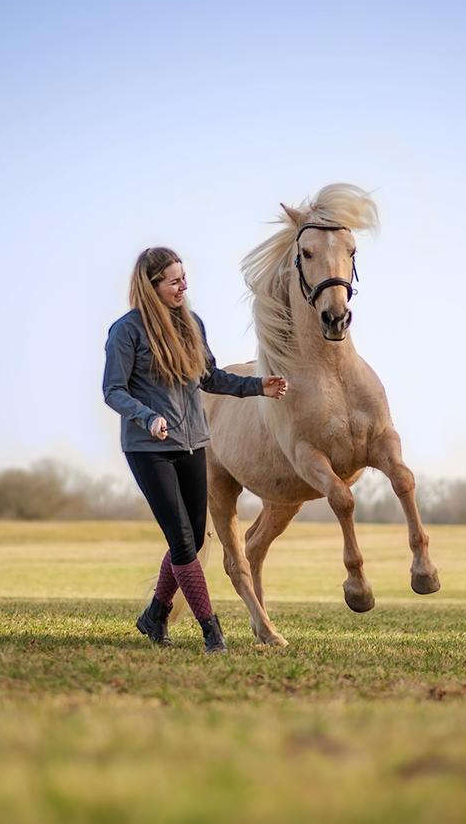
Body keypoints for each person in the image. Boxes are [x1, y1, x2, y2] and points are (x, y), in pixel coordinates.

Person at [102, 246, 288, 653]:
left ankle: (154, 616)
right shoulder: (126, 331)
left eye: (184, 278)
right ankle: (211, 631)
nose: (183, 286)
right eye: (174, 280)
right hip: (149, 448)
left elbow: (210, 378)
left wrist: (259, 385)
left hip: (194, 444)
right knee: (185, 542)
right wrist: (147, 416)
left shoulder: (192, 324)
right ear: (152, 287)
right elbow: (112, 390)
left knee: (192, 539)